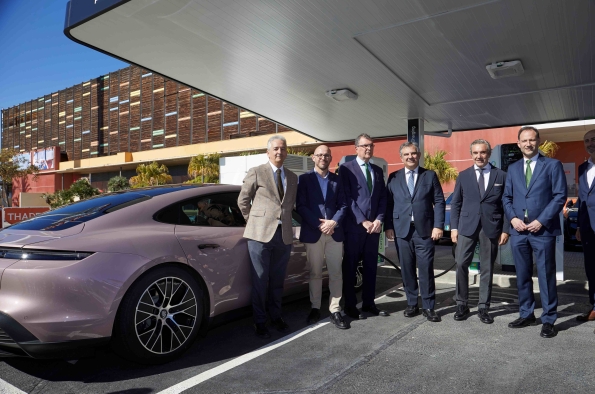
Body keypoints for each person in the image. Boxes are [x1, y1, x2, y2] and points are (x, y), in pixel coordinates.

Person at [502, 126, 567, 338]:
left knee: (546, 275)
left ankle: (548, 319)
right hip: (519, 231)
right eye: (524, 140)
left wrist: (541, 220)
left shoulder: (552, 165)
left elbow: (559, 196)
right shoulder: (512, 169)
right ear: (518, 143)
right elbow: (507, 198)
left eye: (532, 140)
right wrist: (512, 218)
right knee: (522, 275)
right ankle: (526, 314)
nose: (528, 144)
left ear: (538, 141)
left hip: (543, 230)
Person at [237, 135, 298, 338]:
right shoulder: (257, 172)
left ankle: (276, 316)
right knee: (260, 279)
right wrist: (253, 222)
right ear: (268, 152)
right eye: (275, 149)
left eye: (283, 148)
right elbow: (243, 201)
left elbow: (289, 206)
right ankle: (260, 320)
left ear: (286, 152)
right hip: (260, 235)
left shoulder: (292, 176)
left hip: (284, 235)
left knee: (278, 280)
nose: (279, 152)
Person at [450, 139, 509, 324]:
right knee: (460, 264)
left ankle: (484, 307)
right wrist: (453, 228)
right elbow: (456, 203)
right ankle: (462, 303)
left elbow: (506, 205)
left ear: (488, 154)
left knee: (487, 268)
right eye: (475, 153)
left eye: (482, 152)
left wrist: (506, 230)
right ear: (471, 154)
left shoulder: (501, 176)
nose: (479, 156)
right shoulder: (463, 175)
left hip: (491, 227)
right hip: (466, 227)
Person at [385, 142, 445, 322]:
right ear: (401, 157)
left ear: (418, 155)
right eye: (406, 154)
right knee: (407, 269)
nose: (410, 157)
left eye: (413, 154)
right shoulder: (393, 177)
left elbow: (439, 201)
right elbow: (388, 204)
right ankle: (412, 303)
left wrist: (438, 225)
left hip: (425, 231)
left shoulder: (429, 175)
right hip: (401, 230)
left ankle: (428, 306)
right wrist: (388, 226)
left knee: (426, 268)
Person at [296, 145, 348, 329]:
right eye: (319, 155)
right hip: (313, 232)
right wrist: (320, 225)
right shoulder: (304, 179)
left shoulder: (337, 180)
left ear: (330, 158)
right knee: (315, 273)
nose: (323, 158)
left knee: (335, 273)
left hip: (334, 233)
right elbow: (300, 206)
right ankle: (315, 307)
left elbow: (344, 205)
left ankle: (335, 309)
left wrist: (333, 223)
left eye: (326, 155)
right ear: (313, 157)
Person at [339, 133, 389, 320]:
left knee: (370, 268)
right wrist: (363, 220)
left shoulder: (377, 170)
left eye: (371, 145)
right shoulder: (346, 169)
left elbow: (382, 197)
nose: (369, 148)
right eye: (365, 145)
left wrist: (378, 219)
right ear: (356, 148)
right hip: (354, 227)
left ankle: (369, 303)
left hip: (374, 229)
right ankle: (350, 306)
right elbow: (347, 198)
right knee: (350, 267)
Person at [575, 129, 595, 326]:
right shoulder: (582, 168)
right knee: (591, 269)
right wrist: (580, 225)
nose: (590, 143)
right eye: (587, 141)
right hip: (588, 228)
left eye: (593, 139)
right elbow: (582, 199)